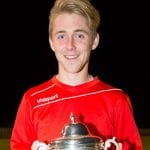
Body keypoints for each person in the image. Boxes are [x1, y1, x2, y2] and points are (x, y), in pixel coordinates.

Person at [10, 0, 143, 149]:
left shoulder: (116, 100)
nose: (70, 46)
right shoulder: (32, 100)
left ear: (94, 41)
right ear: (51, 42)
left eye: (79, 35)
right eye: (61, 36)